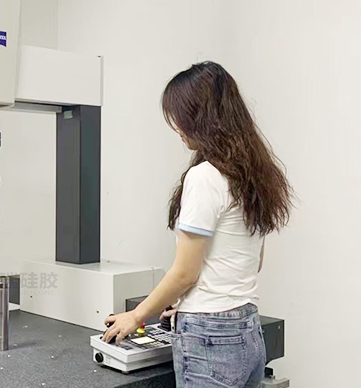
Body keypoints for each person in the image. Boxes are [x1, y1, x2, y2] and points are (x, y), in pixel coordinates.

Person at [102, 62, 292, 388]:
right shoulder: (253, 175)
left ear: (199, 116)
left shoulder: (205, 176)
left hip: (210, 338)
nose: (176, 126)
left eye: (179, 116)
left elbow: (185, 273)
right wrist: (189, 303)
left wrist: (136, 316)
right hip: (248, 329)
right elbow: (252, 261)